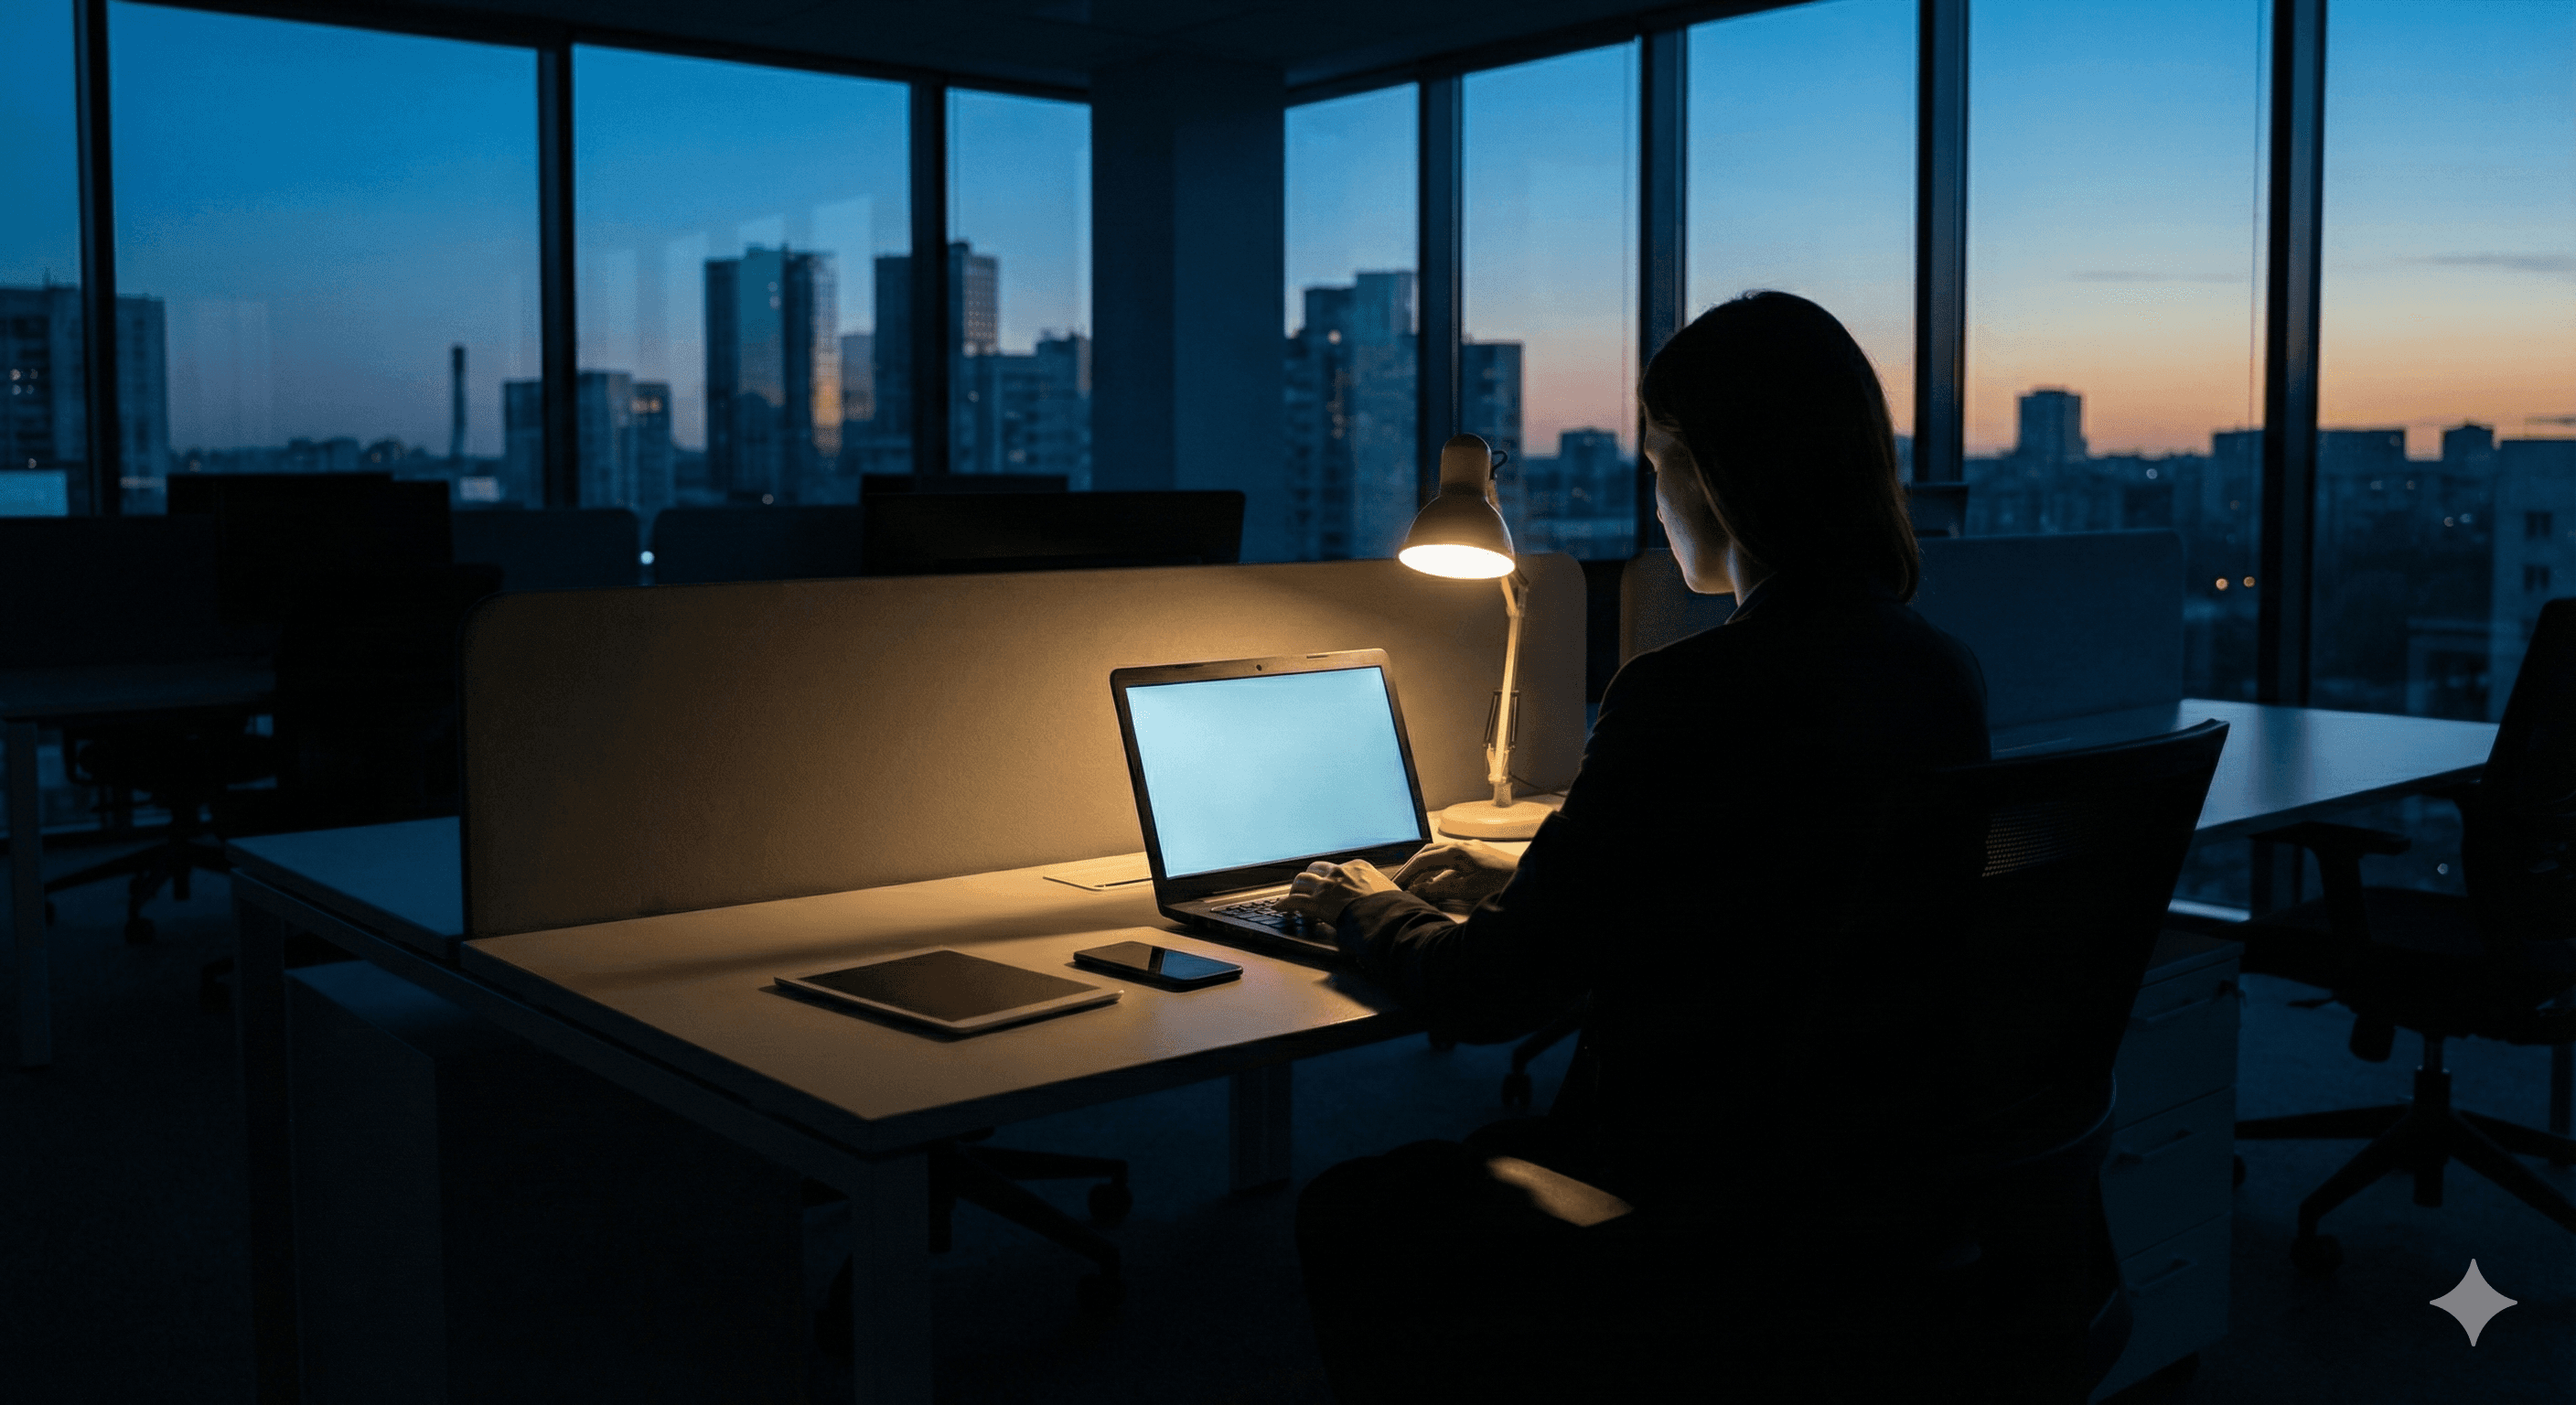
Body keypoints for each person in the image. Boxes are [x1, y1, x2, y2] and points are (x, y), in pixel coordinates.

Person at [1283, 292, 1992, 1403]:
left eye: (1657, 459)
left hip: (1689, 1195)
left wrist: (1357, 905)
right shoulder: (1936, 671)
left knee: (1353, 1206)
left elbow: (1489, 994)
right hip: (1862, 1180)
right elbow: (1773, 877)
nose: (1654, 494)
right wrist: (1532, 873)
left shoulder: (1685, 694)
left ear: (1707, 473)